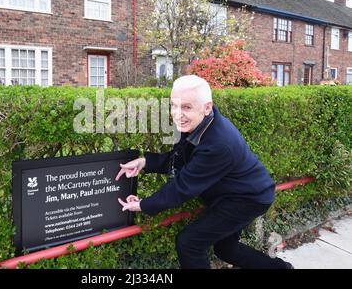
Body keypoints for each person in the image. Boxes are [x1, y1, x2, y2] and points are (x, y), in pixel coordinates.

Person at [116, 75, 293, 269]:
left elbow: (183, 187)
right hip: (236, 193)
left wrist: (144, 204)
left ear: (207, 107)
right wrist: (145, 162)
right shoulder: (200, 122)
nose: (177, 114)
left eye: (186, 107)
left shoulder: (218, 144)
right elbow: (180, 159)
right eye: (174, 105)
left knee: (189, 243)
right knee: (226, 249)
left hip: (248, 199)